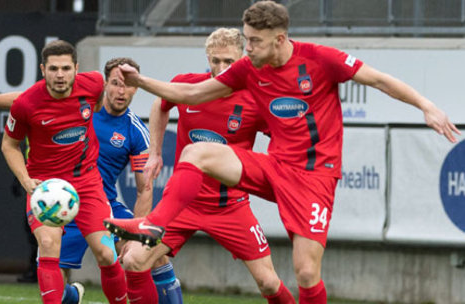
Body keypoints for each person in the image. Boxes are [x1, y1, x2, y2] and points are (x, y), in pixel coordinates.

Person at [103, 1, 461, 303]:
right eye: (246, 40)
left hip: (315, 178)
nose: (248, 50)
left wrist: (425, 105)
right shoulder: (249, 69)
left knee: (305, 273)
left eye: (254, 42)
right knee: (197, 152)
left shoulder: (321, 60)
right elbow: (191, 95)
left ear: (280, 39)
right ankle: (153, 225)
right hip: (275, 167)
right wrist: (141, 81)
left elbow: (380, 79)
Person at [0, 57, 183, 304]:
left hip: (101, 200)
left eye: (128, 85)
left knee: (152, 252)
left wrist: (138, 234)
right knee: (54, 283)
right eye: (116, 83)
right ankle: (71, 296)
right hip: (58, 198)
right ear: (104, 84)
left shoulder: (135, 130)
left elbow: (144, 189)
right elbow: (29, 97)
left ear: (137, 88)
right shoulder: (82, 103)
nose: (121, 91)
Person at [120, 27, 294, 303]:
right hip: (182, 204)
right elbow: (160, 104)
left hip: (231, 207)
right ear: (207, 59)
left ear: (243, 60)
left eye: (229, 61)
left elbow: (287, 139)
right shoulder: (188, 86)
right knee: (133, 259)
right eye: (216, 60)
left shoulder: (255, 99)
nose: (222, 68)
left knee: (269, 283)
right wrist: (154, 151)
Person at [0, 40, 127, 304]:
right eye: (53, 69)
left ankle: (79, 297)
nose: (59, 75)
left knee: (106, 254)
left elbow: (96, 108)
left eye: (65, 68)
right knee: (49, 245)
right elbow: (9, 145)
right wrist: (26, 180)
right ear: (42, 69)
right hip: (45, 186)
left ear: (76, 68)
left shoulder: (94, 83)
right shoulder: (26, 104)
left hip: (86, 181)